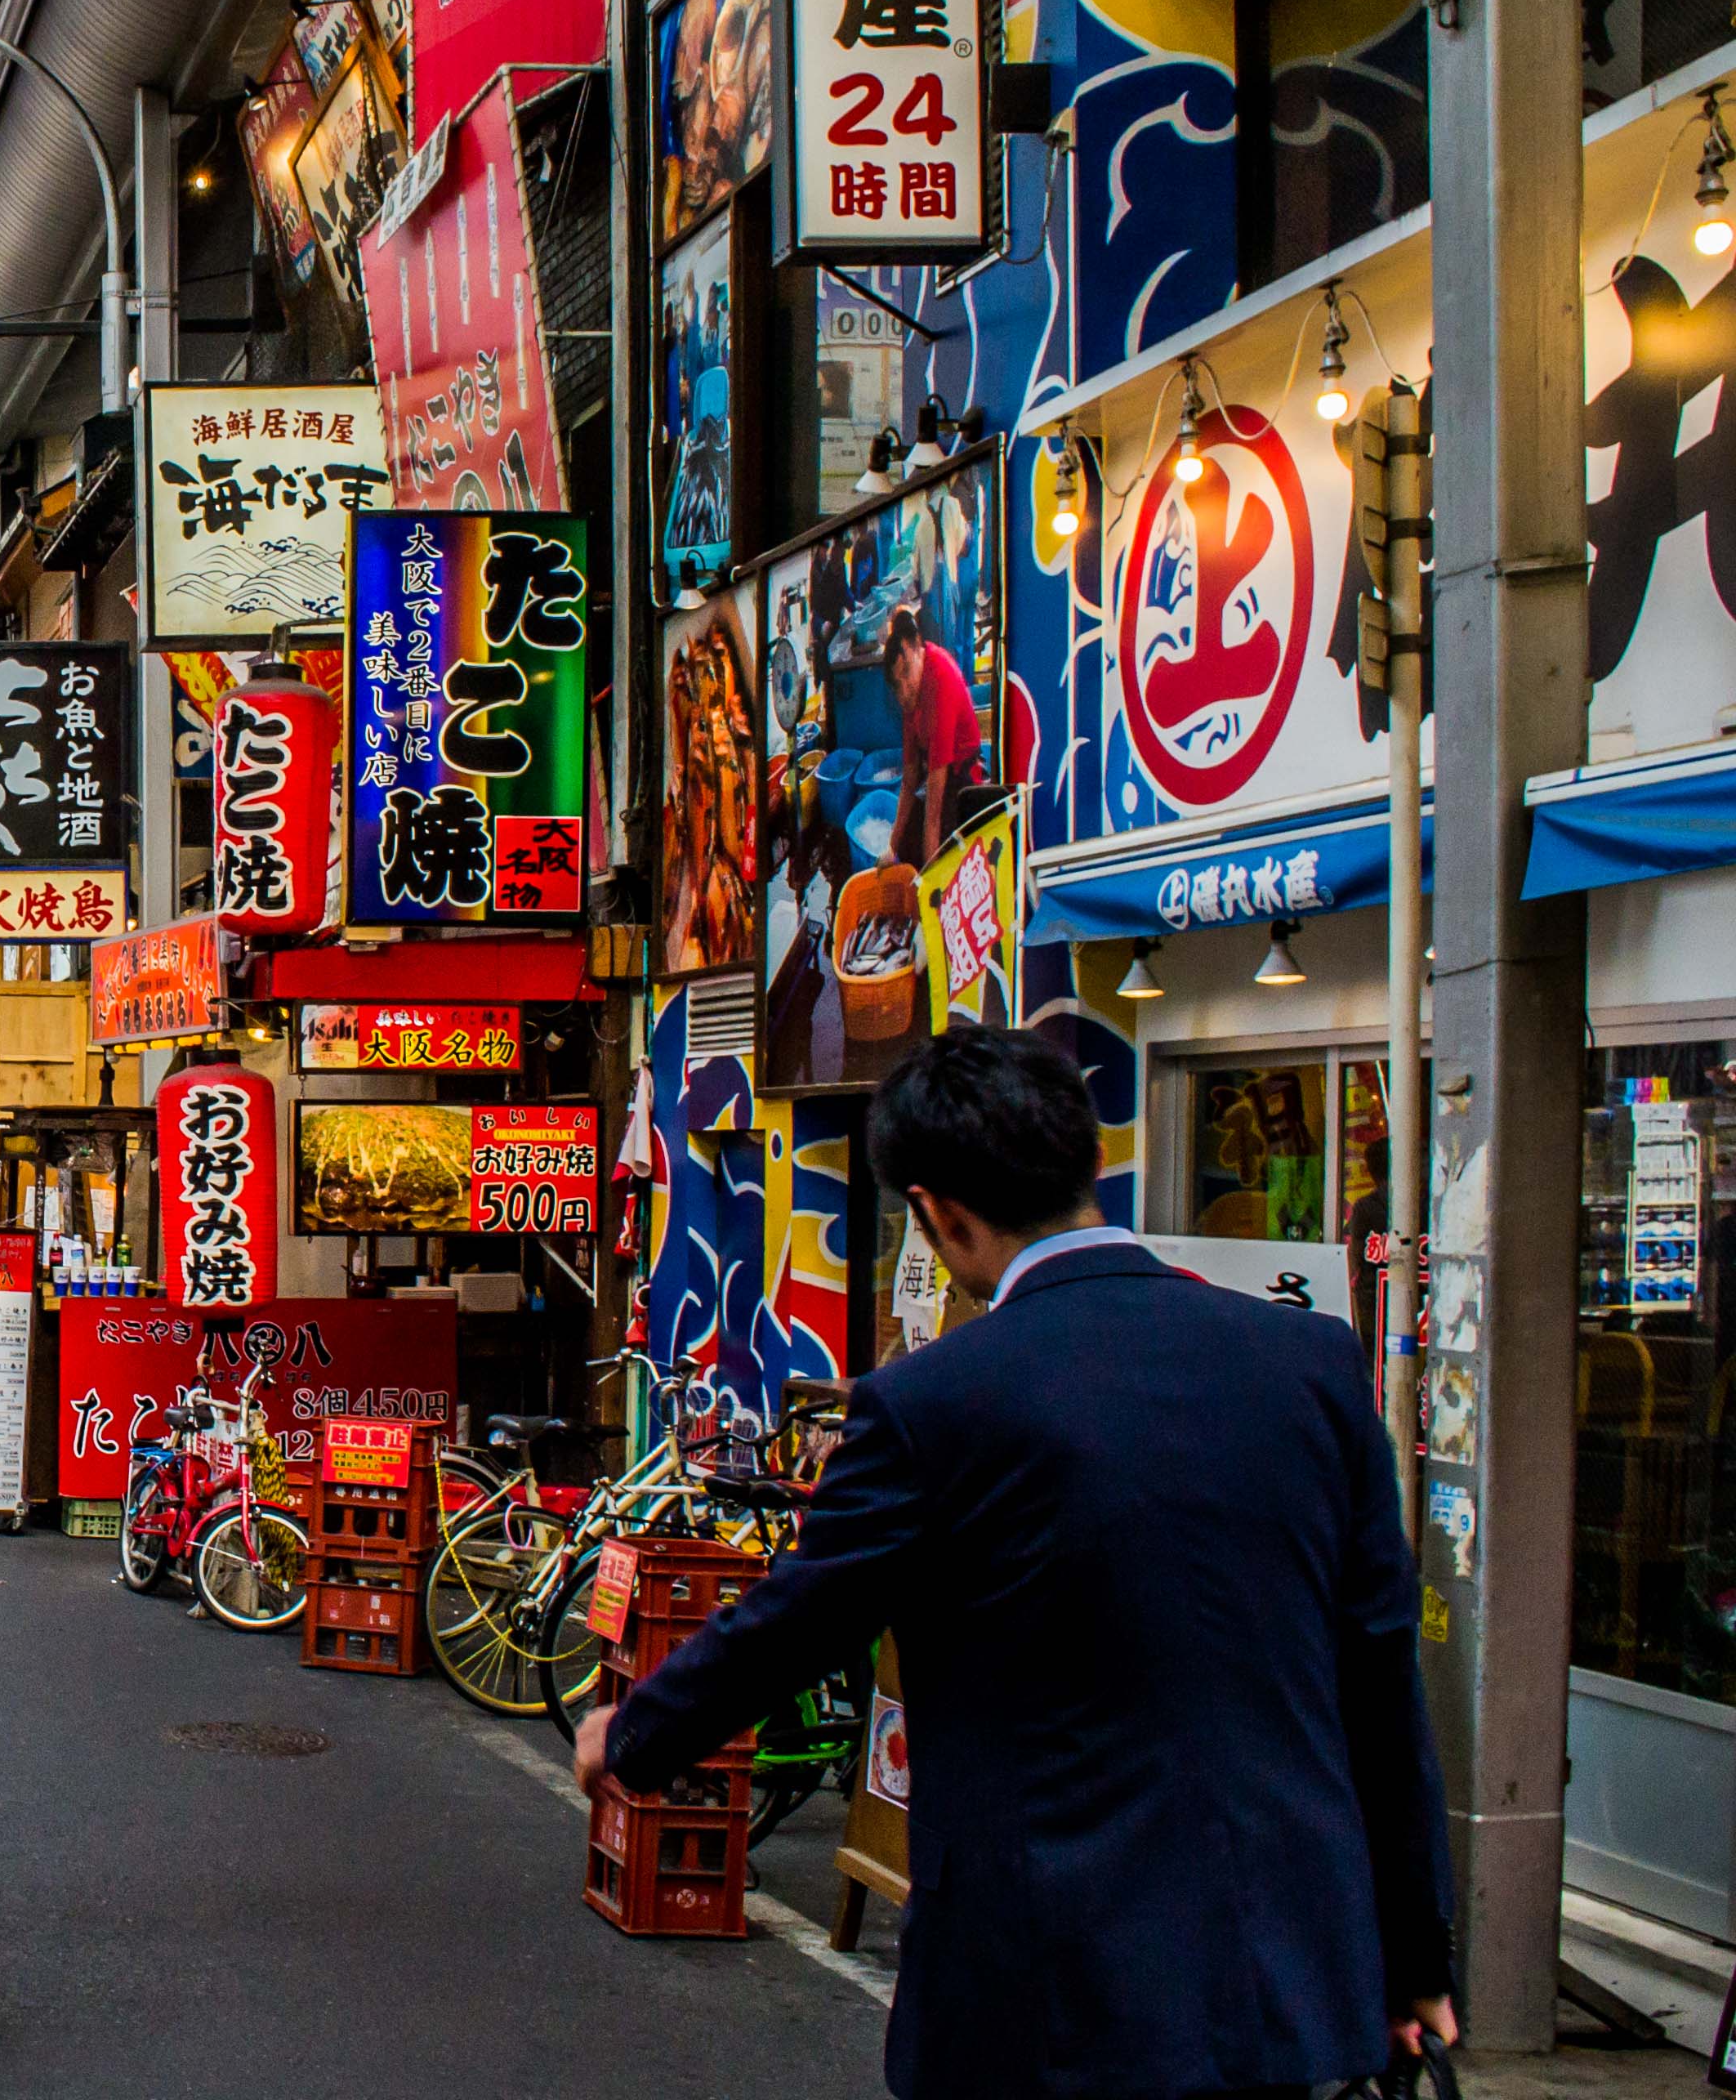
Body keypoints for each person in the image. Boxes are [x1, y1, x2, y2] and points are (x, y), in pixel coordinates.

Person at [574, 1025, 1455, 2100]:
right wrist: (1413, 1959)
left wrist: (637, 1733)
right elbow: (1379, 1677)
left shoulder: (932, 1404)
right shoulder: (1310, 1360)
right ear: (1086, 1161)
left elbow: (801, 1620)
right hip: (1280, 1978)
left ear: (941, 1213)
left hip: (1047, 1992)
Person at [881, 601, 983, 869]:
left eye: (906, 674)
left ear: (917, 649)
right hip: (935, 766)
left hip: (961, 769)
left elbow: (934, 812)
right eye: (897, 685)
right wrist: (891, 847)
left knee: (946, 847)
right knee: (905, 842)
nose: (904, 692)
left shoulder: (940, 681)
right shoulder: (909, 696)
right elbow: (910, 774)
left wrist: (929, 882)